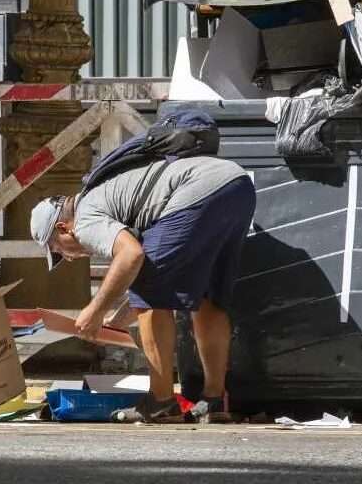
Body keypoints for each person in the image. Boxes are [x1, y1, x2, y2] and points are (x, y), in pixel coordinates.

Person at [30, 155, 256, 423]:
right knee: (208, 297)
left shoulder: (86, 219)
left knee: (149, 293)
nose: (67, 258)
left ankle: (160, 403)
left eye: (58, 250)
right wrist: (119, 319)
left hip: (196, 189)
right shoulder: (103, 196)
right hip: (237, 184)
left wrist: (95, 310)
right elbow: (149, 268)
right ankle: (214, 401)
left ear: (63, 227)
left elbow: (132, 256)